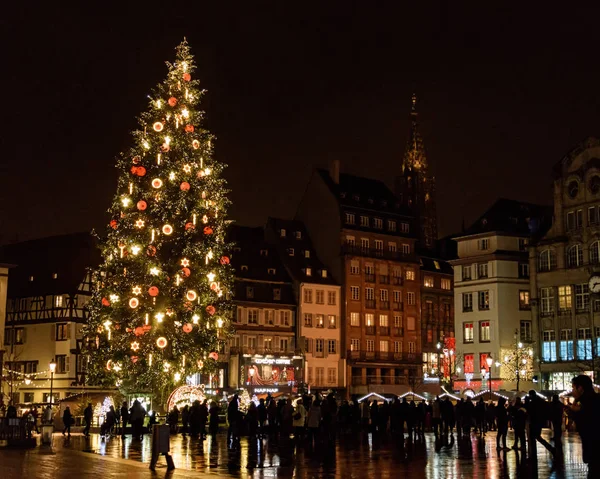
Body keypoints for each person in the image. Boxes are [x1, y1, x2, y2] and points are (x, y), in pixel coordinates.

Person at [567, 374, 600, 477]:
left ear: (580, 388)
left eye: (573, 387)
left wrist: (576, 412)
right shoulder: (591, 401)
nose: (572, 391)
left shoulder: (587, 404)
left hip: (596, 453)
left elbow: (589, 427)